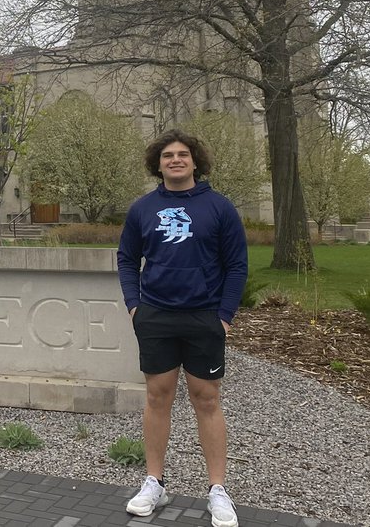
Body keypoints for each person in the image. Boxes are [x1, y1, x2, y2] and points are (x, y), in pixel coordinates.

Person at [117, 129, 248, 527]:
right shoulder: (143, 209)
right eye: (168, 155)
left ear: (195, 161)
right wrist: (135, 307)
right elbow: (126, 259)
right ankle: (153, 481)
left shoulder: (219, 207)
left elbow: (237, 265)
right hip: (155, 315)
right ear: (157, 164)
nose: (176, 160)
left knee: (206, 399)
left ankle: (218, 491)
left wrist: (224, 316)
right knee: (158, 398)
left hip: (203, 316)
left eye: (183, 154)